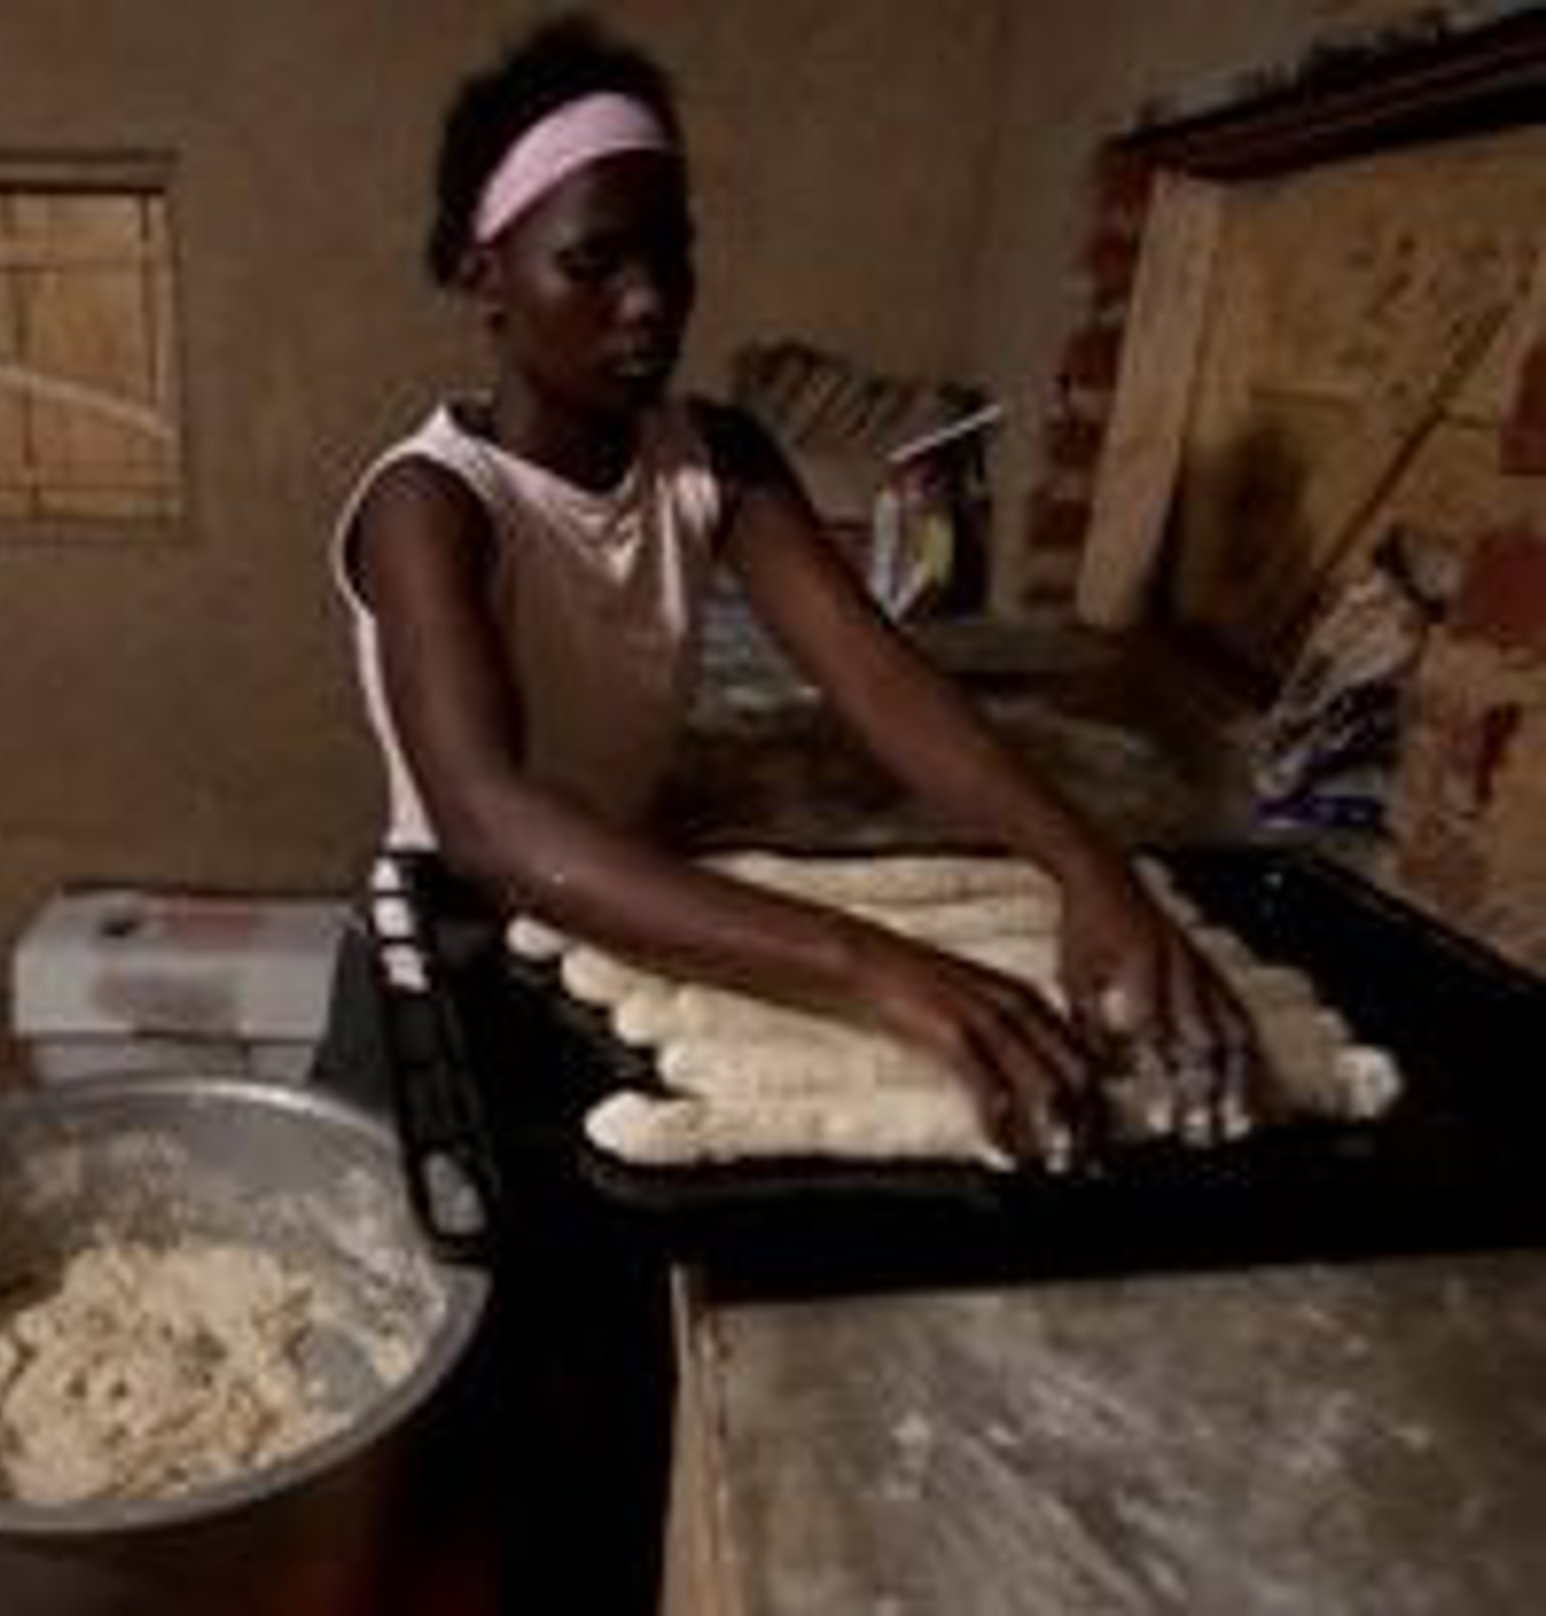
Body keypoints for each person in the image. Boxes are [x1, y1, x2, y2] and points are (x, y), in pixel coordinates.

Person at [317, 16, 1251, 1614]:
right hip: (450, 966)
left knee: (616, 1401)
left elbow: (888, 691)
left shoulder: (716, 461)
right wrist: (878, 965)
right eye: (594, 263)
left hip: (623, 926)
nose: (650, 302)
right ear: (487, 276)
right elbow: (488, 820)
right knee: (417, 1410)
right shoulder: (431, 506)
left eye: (670, 256)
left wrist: (1089, 870)